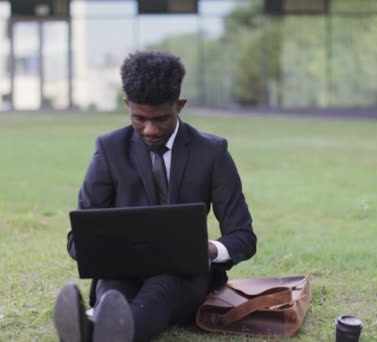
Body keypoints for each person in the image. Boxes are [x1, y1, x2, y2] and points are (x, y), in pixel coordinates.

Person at [54, 50, 256, 342]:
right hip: (121, 268)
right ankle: (103, 325)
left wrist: (209, 249)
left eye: (161, 119)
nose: (149, 130)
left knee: (161, 290)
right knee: (113, 290)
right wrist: (98, 248)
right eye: (139, 119)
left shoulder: (211, 153)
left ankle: (93, 327)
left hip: (183, 275)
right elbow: (77, 239)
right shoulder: (109, 149)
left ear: (180, 105)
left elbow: (243, 236)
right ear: (127, 106)